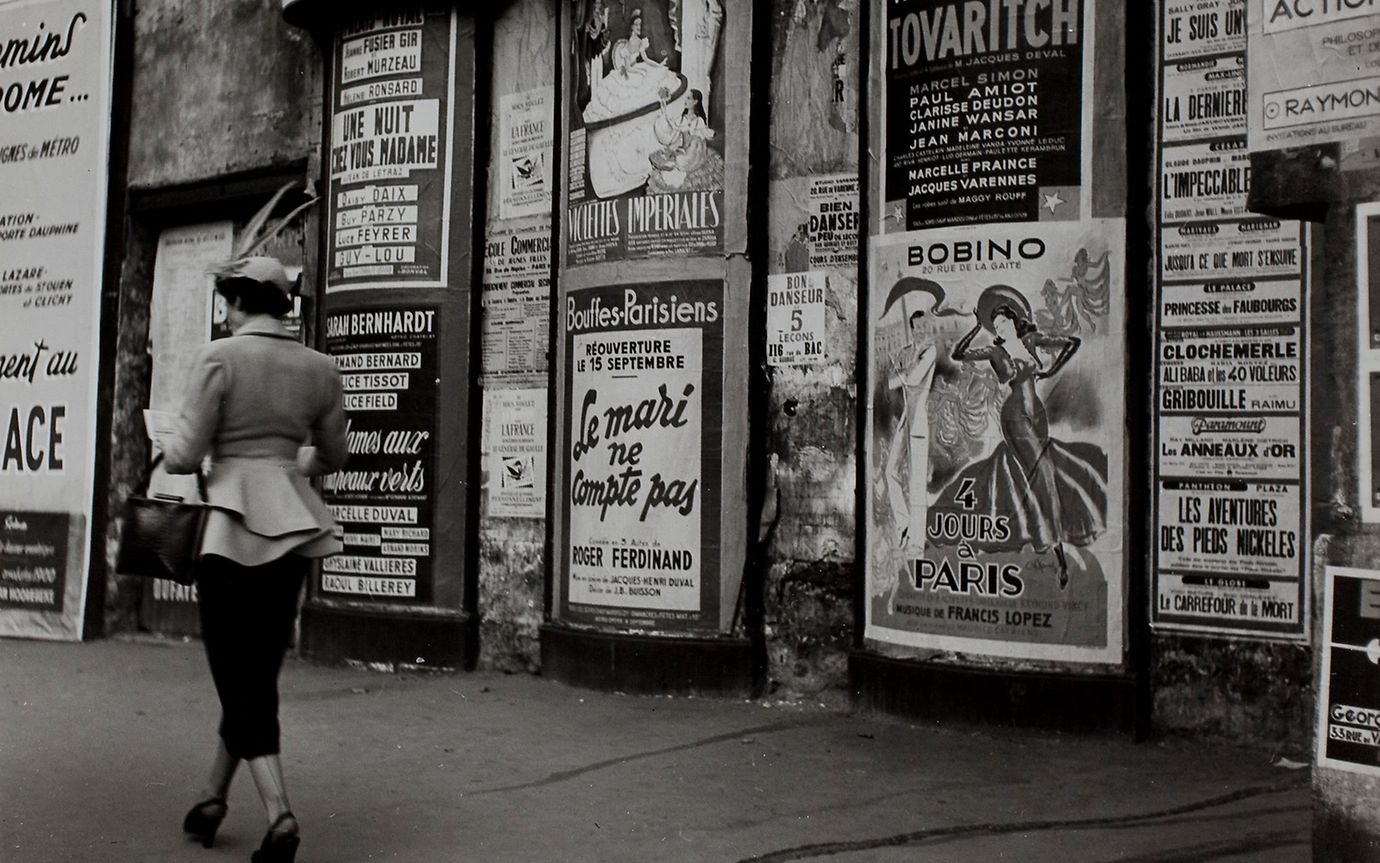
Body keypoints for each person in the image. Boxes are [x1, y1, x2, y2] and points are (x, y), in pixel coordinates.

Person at [162, 255, 347, 863]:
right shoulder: (319, 367)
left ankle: (280, 814)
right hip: (292, 531)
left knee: (237, 676)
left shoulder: (219, 357)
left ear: (236, 303)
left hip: (228, 534)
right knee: (255, 675)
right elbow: (332, 455)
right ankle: (212, 796)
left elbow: (185, 458)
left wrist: (170, 445)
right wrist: (293, 467)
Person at [944, 284, 1106, 588]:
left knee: (1047, 474)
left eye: (1004, 322)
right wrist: (977, 326)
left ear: (1014, 321)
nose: (1001, 327)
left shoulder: (1030, 340)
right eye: (996, 325)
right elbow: (959, 353)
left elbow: (1071, 342)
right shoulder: (994, 350)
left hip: (1037, 414)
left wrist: (1051, 369)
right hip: (1015, 414)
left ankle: (1049, 537)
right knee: (1042, 472)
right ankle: (1057, 555)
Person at [884, 289, 942, 555]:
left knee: (916, 484)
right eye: (916, 328)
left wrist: (905, 367)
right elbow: (892, 382)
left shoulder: (929, 351)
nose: (920, 332)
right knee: (890, 472)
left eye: (923, 327)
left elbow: (913, 378)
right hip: (906, 420)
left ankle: (917, 543)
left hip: (919, 424)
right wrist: (900, 368)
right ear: (912, 328)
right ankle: (904, 529)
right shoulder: (912, 351)